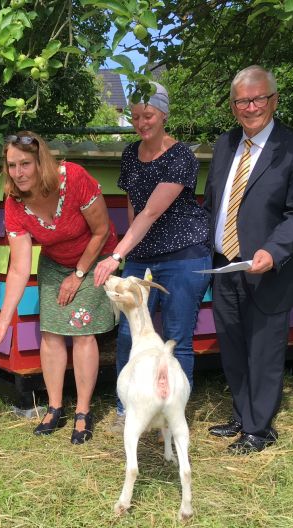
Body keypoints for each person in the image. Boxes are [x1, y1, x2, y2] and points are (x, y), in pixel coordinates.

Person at [203, 65, 293, 454]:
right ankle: (242, 415)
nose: (250, 107)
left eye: (258, 98)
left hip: (268, 269)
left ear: (274, 100)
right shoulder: (224, 145)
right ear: (233, 104)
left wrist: (272, 251)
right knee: (234, 348)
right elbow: (212, 204)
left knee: (264, 350)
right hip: (226, 267)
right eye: (242, 100)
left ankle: (260, 429)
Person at [0, 131, 118, 444]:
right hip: (55, 263)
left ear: (40, 161)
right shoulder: (15, 205)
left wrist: (79, 274)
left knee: (83, 331)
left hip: (93, 257)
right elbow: (19, 267)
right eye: (12, 166)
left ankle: (83, 412)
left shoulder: (73, 178)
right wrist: (3, 321)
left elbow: (101, 230)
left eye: (25, 164)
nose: (18, 173)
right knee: (51, 333)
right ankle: (55, 406)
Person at [93, 82, 211, 430]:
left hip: (184, 256)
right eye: (135, 117)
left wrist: (116, 254)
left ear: (163, 114)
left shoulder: (181, 157)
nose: (141, 123)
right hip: (143, 256)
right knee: (131, 334)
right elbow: (133, 205)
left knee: (177, 338)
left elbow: (150, 213)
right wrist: (132, 252)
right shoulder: (131, 153)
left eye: (148, 115)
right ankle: (125, 410)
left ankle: (173, 417)